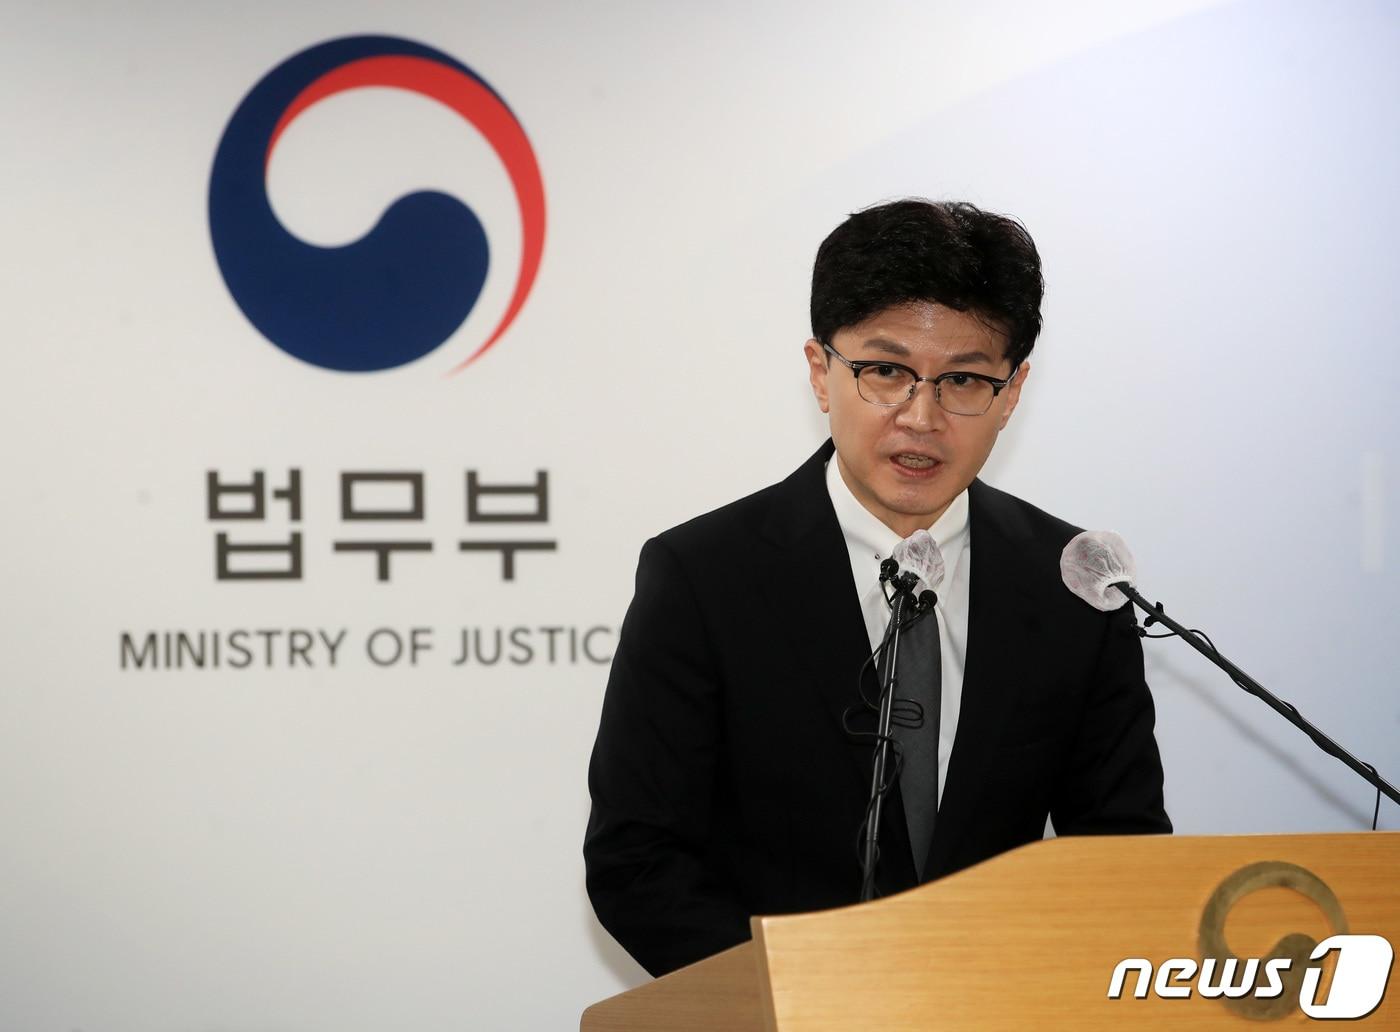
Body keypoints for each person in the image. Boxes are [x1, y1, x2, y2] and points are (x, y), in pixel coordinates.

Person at [583, 199, 1171, 978]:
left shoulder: (1072, 584)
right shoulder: (704, 575)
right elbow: (638, 859)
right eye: (886, 372)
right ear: (820, 372)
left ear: (1012, 392)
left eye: (964, 379)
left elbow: (1121, 854)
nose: (921, 417)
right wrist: (806, 1003)